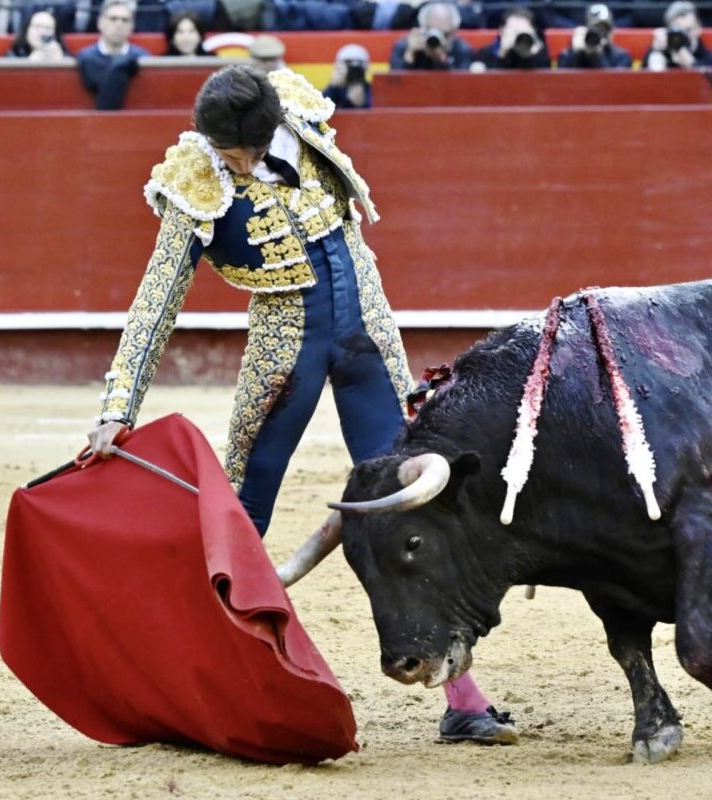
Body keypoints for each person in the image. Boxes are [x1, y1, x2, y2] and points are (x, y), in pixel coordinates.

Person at [84, 64, 518, 747]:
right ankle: (212, 687)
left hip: (368, 343)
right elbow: (156, 299)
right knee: (242, 516)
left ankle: (462, 698)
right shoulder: (195, 178)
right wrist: (119, 405)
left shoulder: (303, 120)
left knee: (414, 511)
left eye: (231, 153)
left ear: (263, 138)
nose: (221, 161)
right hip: (285, 354)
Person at [642, 1, 712, 95]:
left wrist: (692, 63)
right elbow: (643, 86)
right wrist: (655, 52)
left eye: (688, 30)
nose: (685, 36)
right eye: (678, 31)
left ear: (698, 28)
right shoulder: (662, 53)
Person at [75, 0, 148, 110]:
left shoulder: (143, 58)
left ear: (132, 26)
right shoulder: (84, 56)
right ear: (100, 22)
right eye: (113, 19)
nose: (119, 24)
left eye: (125, 20)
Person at [389, 1, 474, 71]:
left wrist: (441, 60)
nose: (438, 38)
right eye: (433, 32)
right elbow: (394, 86)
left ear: (454, 31)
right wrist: (409, 55)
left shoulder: (462, 49)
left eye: (445, 34)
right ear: (423, 27)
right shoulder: (404, 46)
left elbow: (461, 86)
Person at [470, 6, 549, 71]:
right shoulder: (486, 53)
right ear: (502, 30)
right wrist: (502, 54)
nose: (517, 35)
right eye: (513, 30)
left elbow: (541, 81)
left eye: (522, 30)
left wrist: (533, 55)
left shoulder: (539, 50)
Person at [557, 3, 632, 69]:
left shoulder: (621, 57)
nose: (601, 34)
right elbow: (563, 81)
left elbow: (611, 82)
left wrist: (598, 55)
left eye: (605, 30)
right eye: (596, 29)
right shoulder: (567, 54)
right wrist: (574, 53)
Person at [6, 9, 72, 61]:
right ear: (27, 30)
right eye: (37, 27)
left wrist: (62, 62)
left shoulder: (64, 55)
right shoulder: (13, 53)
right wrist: (29, 63)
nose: (42, 32)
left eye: (48, 28)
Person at [323, 42, 373, 109]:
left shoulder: (372, 91)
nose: (354, 69)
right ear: (337, 66)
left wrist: (362, 104)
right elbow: (318, 113)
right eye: (348, 63)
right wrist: (332, 88)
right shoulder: (335, 90)